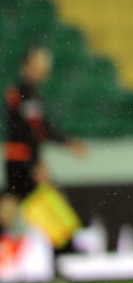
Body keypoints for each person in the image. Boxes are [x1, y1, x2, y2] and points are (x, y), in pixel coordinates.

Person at [1, 45, 86, 245]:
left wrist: (67, 142)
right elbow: (27, 131)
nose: (44, 70)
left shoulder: (30, 94)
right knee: (48, 200)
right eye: (39, 65)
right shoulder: (22, 93)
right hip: (21, 159)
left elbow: (40, 129)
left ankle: (62, 245)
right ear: (27, 66)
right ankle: (64, 247)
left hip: (19, 158)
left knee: (11, 203)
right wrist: (34, 163)